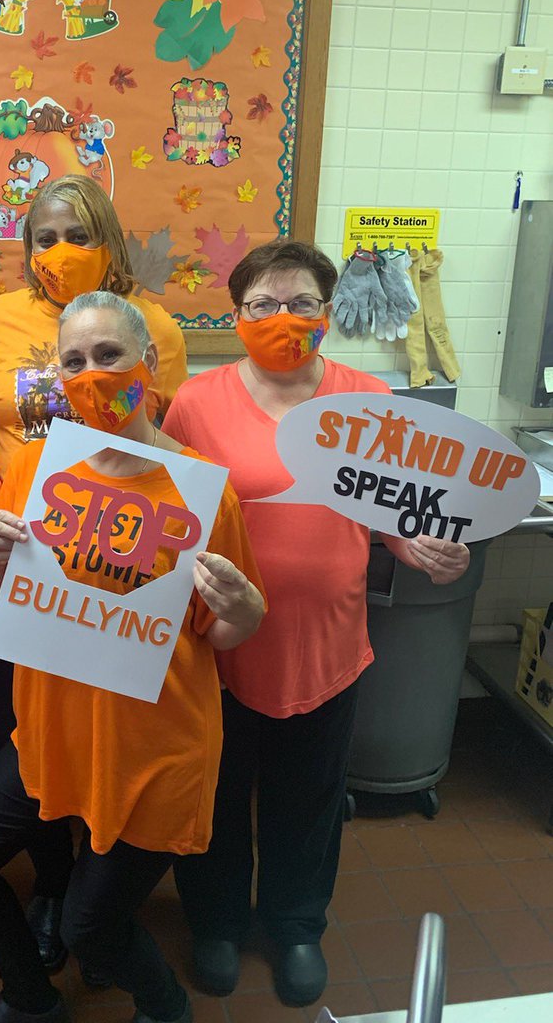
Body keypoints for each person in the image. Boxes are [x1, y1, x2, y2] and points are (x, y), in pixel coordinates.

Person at [0, 291, 266, 1023]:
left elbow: (223, 631)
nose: (92, 373)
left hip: (153, 750)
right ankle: (29, 997)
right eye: (73, 361)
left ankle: (166, 1006)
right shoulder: (38, 471)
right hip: (52, 738)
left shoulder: (205, 492)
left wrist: (244, 609)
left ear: (147, 364)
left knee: (90, 928)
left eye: (109, 355)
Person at [162, 240, 471, 1006]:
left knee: (311, 797)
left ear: (328, 314)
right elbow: (165, 516)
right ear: (236, 316)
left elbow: (399, 516)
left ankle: (297, 925)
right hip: (222, 648)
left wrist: (427, 548)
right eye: (263, 304)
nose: (283, 318)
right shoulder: (196, 404)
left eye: (302, 302)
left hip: (327, 647)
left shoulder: (368, 401)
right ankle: (218, 921)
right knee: (218, 794)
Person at [0, 174, 188, 972]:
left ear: (111, 240)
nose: (60, 252)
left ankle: (102, 894)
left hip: (118, 561)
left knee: (109, 725)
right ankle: (53, 887)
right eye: (43, 237)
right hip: (26, 558)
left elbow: (157, 435)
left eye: (78, 234)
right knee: (29, 735)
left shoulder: (153, 322)